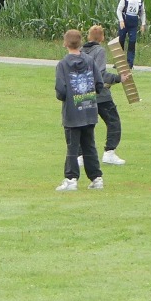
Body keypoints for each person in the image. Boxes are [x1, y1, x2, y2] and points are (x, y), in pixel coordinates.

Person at [55, 28, 105, 191]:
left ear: (65, 44)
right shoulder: (90, 61)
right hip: (89, 109)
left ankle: (71, 179)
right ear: (81, 43)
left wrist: (68, 97)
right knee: (89, 145)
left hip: (72, 112)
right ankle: (96, 178)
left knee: (73, 146)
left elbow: (61, 91)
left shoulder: (63, 65)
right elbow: (99, 84)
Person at [82, 24, 126, 165]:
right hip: (100, 96)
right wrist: (118, 78)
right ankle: (109, 153)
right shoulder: (99, 51)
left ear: (89, 36)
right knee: (113, 122)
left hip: (83, 95)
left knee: (85, 125)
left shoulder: (80, 50)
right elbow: (100, 73)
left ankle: (80, 155)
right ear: (102, 38)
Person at [115, 0, 146, 69]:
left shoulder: (140, 1)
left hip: (133, 23)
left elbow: (142, 13)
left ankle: (130, 63)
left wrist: (143, 24)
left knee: (132, 42)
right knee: (121, 40)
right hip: (124, 22)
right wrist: (121, 20)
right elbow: (119, 10)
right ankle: (119, 62)